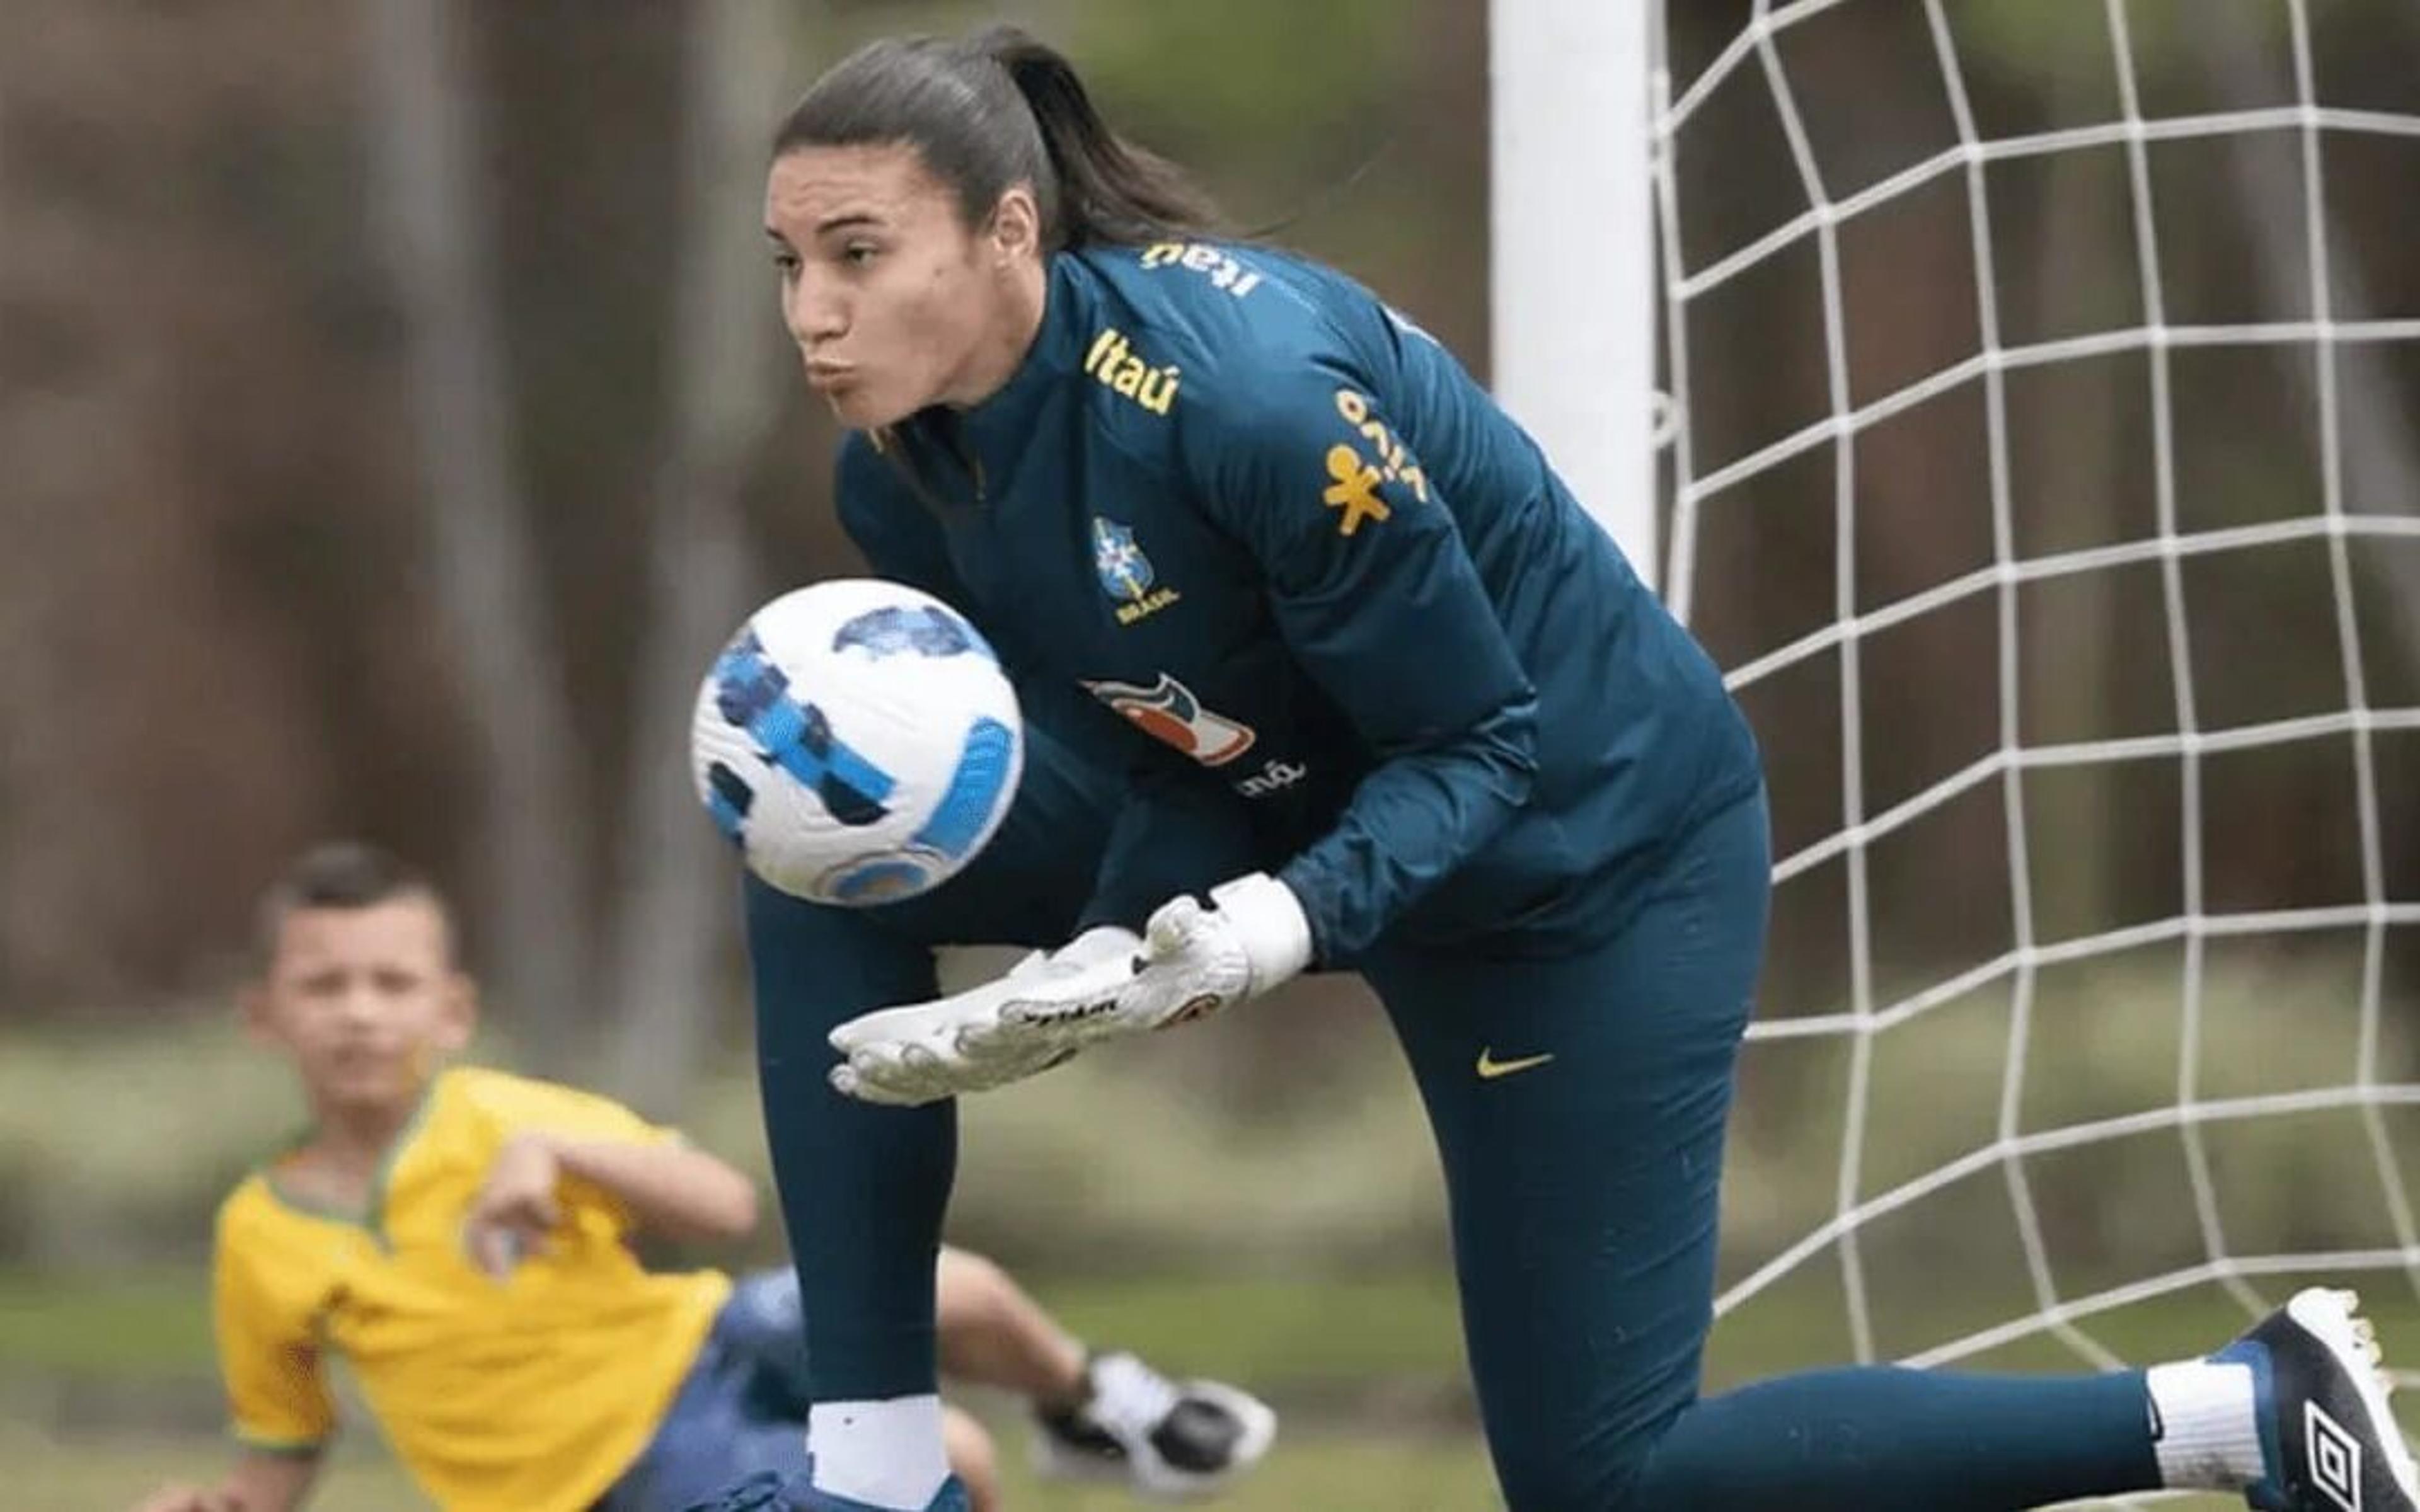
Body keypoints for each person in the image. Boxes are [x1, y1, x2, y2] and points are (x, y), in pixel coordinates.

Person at [700, 24, 2420, 1512]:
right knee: (824, 849)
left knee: (1610, 1481)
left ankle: (2236, 1416)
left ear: (1011, 232)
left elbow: (1475, 746)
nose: (817, 312)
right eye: (790, 264)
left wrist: (1261, 932)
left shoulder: (1252, 409)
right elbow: (1138, 733)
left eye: (860, 253)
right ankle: (874, 1467)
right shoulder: (898, 485)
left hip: (1577, 868)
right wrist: (1121, 926)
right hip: (1296, 824)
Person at [129, 842, 1274, 1512]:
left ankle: (1095, 1409)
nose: (360, 1012)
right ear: (264, 1017)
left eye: (390, 981)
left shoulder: (507, 1114)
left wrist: (566, 1156)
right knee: (953, 1463)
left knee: (944, 1288)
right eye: (325, 987)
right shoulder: (259, 1234)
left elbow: (726, 1207)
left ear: (451, 1008)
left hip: (709, 1338)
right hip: (619, 1471)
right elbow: (283, 1440)